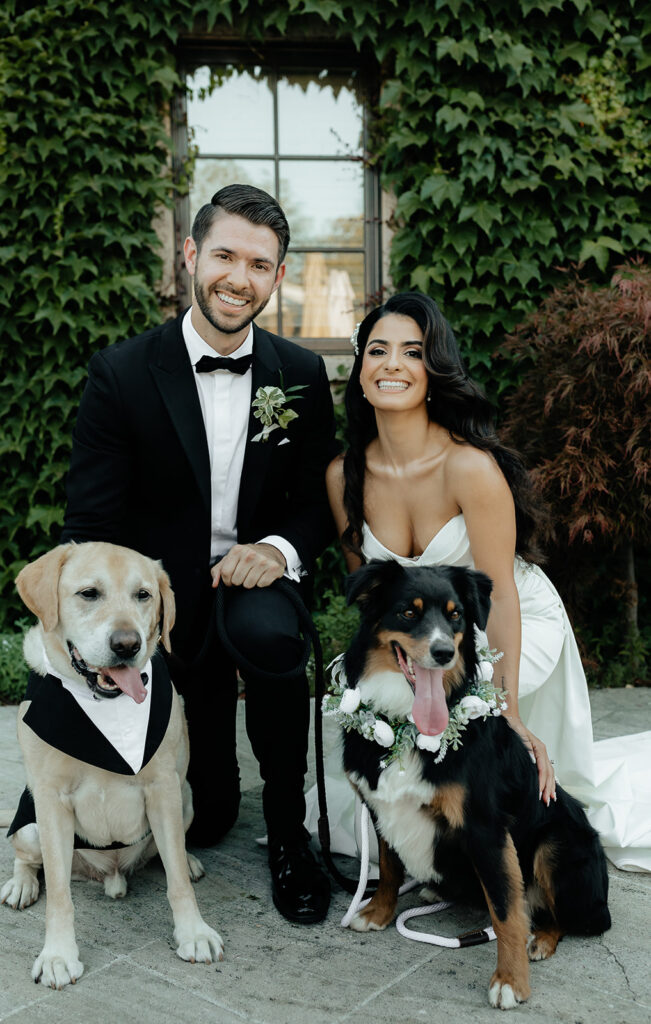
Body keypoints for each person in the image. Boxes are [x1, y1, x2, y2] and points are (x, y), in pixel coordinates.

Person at [62, 184, 339, 922]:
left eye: (258, 264)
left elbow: (319, 501)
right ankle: (203, 792)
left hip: (258, 591)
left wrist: (278, 549)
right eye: (224, 255)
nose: (237, 278)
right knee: (209, 811)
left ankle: (288, 830)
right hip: (160, 599)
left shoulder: (301, 375)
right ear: (190, 254)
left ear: (277, 277)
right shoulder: (120, 374)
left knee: (270, 637)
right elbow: (89, 520)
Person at [305, 291, 651, 873]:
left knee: (480, 722)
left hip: (505, 623)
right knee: (367, 718)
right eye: (377, 351)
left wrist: (509, 708)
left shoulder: (470, 466)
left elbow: (505, 596)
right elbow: (373, 594)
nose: (392, 364)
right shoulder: (344, 475)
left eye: (411, 352)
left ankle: (482, 824)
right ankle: (425, 833)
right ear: (360, 370)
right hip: (425, 628)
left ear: (433, 370)